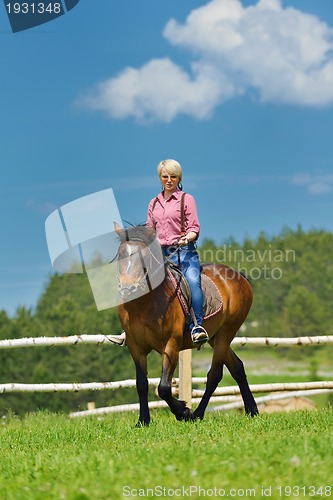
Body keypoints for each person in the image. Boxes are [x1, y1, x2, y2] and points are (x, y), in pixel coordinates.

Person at [146, 159, 209, 344]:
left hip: (184, 253)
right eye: (165, 176)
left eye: (173, 177)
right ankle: (133, 327)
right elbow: (150, 230)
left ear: (179, 178)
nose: (169, 180)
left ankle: (197, 325)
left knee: (192, 282)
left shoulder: (186, 199)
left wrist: (187, 237)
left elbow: (194, 227)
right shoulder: (153, 203)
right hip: (160, 255)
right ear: (160, 178)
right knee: (138, 283)